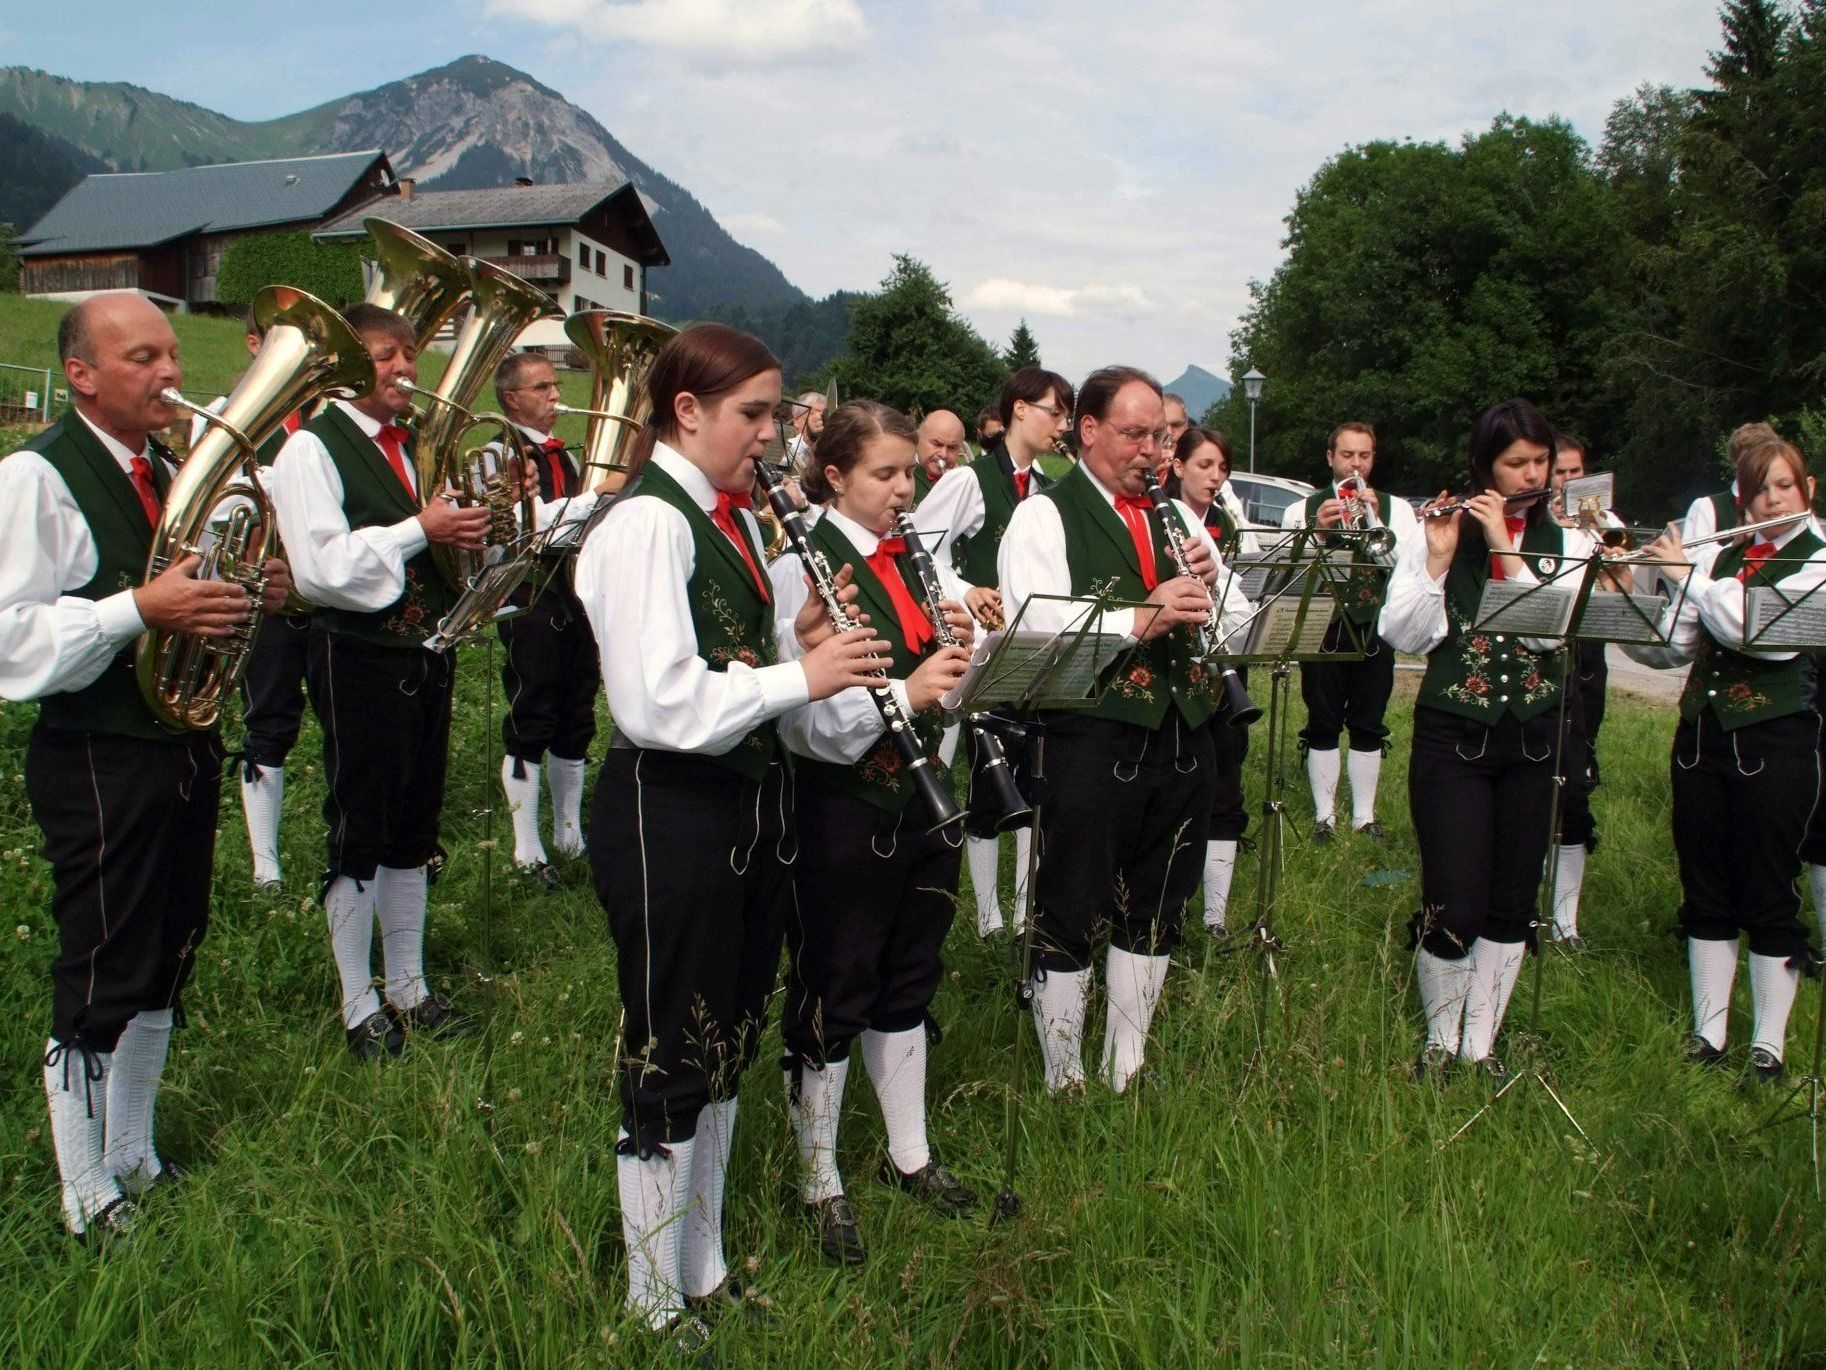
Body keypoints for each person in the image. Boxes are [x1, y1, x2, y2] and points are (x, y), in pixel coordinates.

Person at [573, 323, 884, 1341]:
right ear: (686, 411)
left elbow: (723, 658)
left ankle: (698, 1267)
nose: (770, 434)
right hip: (668, 808)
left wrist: (791, 639)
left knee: (723, 1045)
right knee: (670, 1052)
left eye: (773, 413)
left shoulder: (731, 519)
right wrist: (803, 675)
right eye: (752, 414)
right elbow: (658, 701)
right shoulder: (645, 524)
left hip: (737, 807)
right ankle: (650, 1301)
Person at [1, 294, 289, 1237]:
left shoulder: (170, 471)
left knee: (169, 949)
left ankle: (134, 1151)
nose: (171, 372)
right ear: (80, 375)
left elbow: (193, 599)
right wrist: (140, 609)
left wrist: (249, 591)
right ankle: (84, 1191)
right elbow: (11, 642)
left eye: (171, 353)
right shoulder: (33, 477)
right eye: (142, 357)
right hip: (98, 749)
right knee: (103, 962)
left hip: (178, 743)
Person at [1000, 365, 1248, 1093]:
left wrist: (1214, 581)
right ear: (1088, 430)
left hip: (1183, 735)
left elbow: (1238, 623)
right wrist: (1140, 618)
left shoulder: (1180, 519)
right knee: (1072, 900)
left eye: (1161, 437)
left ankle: (1125, 1062)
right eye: (1136, 435)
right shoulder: (1044, 516)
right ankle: (1063, 1073)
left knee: (1159, 900)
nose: (1152, 452)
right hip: (1090, 737)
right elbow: (1036, 631)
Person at [771, 400, 978, 1265]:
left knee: (909, 976)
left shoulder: (916, 558)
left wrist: (966, 656)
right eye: (884, 474)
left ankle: (909, 1155)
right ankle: (818, 1177)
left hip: (924, 802)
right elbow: (804, 723)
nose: (904, 489)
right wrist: (911, 691)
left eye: (907, 473)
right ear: (834, 476)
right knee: (836, 982)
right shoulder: (801, 569)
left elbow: (944, 688)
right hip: (844, 808)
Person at [269, 303, 490, 1060]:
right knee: (359, 825)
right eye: (385, 355)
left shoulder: (419, 446)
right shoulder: (310, 448)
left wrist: (479, 524)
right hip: (358, 653)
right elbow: (320, 570)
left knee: (413, 826)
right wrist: (421, 529)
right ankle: (357, 1001)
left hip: (428, 650)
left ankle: (409, 985)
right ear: (344, 365)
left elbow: (445, 548)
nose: (404, 368)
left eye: (409, 353)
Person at [1383, 398, 1592, 1082]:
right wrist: (1439, 559)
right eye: (1515, 463)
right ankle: (1440, 1039)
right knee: (1454, 896)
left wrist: (1506, 543)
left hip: (1533, 737)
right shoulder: (1440, 529)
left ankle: (1482, 1043)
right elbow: (1403, 634)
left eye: (1541, 462)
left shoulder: (1568, 540)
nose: (1533, 475)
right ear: (1483, 468)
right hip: (1453, 737)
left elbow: (1550, 634)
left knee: (1511, 900)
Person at [1629, 435, 1824, 1081]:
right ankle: (1707, 1034)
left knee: (1769, 888)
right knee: (1705, 885)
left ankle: (1768, 1046)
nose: (1773, 501)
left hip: (1776, 740)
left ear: (1807, 489)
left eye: (1784, 487)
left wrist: (1688, 574)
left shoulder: (1818, 559)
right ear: (1741, 502)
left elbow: (1759, 635)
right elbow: (1673, 647)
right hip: (1702, 739)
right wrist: (1627, 594)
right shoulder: (1724, 556)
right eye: (1758, 491)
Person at [915, 365, 1074, 939]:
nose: (1062, 425)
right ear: (1020, 409)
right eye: (1055, 412)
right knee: (990, 784)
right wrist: (965, 590)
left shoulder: (1050, 489)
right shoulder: (969, 480)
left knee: (1032, 781)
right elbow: (917, 547)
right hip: (984, 648)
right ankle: (987, 916)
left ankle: (1027, 906)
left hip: (1035, 649)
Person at [192, 306, 311, 889]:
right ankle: (266, 860)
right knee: (270, 718)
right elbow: (216, 507)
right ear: (250, 344)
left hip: (326, 593)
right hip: (266, 591)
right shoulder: (226, 413)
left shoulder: (323, 417)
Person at [488, 350, 606, 887]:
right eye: (542, 388)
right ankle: (525, 847)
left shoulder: (567, 457)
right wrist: (594, 499)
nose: (556, 395)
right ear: (512, 399)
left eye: (555, 385)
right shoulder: (498, 454)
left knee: (576, 710)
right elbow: (521, 526)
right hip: (526, 595)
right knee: (531, 711)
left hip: (569, 594)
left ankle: (568, 833)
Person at [1280, 421, 1418, 845]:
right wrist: (1318, 534)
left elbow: (1409, 571)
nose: (1355, 464)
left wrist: (1378, 521)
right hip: (1321, 627)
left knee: (1369, 721)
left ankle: (1364, 816)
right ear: (1330, 458)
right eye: (1347, 455)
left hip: (1375, 625)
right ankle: (1325, 816)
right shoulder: (1300, 510)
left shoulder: (1398, 509)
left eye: (1364, 456)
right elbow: (1285, 576)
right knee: (1322, 720)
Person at [1165, 425, 1256, 936]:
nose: (1215, 476)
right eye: (1204, 465)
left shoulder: (1225, 522)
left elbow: (1240, 609)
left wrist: (1220, 588)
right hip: (1177, 675)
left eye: (1222, 468)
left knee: (1226, 786)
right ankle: (1169, 906)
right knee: (1181, 791)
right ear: (1177, 467)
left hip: (1222, 669)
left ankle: (1214, 916)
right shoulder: (1165, 518)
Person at [1545, 432, 1606, 949]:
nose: (1567, 482)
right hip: (1542, 661)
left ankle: (1566, 919)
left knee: (1576, 783)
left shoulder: (1604, 524)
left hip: (1586, 664)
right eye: (1559, 472)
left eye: (1575, 472)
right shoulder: (1535, 528)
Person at [911, 408, 966, 507]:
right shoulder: (902, 477)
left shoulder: (963, 483)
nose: (944, 455)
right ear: (918, 439)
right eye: (937, 444)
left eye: (952, 447)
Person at [785, 388, 826, 472]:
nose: (821, 418)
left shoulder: (828, 453)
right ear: (797, 421)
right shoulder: (786, 451)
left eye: (824, 414)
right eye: (814, 413)